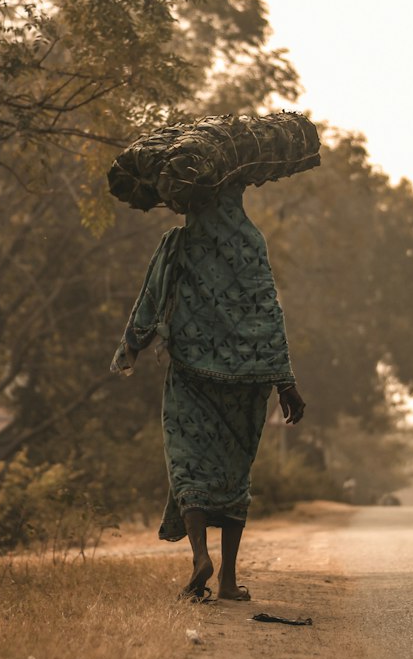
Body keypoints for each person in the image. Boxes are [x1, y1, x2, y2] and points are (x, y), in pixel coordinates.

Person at [111, 184, 304, 601]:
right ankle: (229, 581)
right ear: (235, 196)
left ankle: (200, 556)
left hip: (191, 374)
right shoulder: (252, 241)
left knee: (188, 464)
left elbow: (151, 294)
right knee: (235, 474)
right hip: (248, 381)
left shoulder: (179, 242)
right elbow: (269, 309)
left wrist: (132, 344)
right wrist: (285, 382)